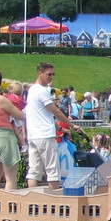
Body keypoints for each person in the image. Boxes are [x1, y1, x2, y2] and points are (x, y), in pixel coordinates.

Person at [25, 62, 82, 190]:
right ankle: (56, 200)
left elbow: (45, 116)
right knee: (52, 171)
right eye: (49, 74)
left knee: (34, 171)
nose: (51, 77)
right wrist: (72, 125)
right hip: (45, 135)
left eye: (53, 74)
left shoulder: (32, 90)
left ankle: (31, 201)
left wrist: (61, 128)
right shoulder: (41, 90)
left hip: (34, 135)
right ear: (40, 73)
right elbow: (55, 111)